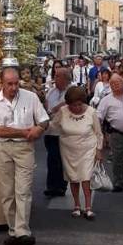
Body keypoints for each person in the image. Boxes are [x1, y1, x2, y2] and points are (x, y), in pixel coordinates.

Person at [0, 67, 49, 245]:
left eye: (16, 83)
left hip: (24, 148)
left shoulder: (30, 97)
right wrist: (25, 131)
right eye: (10, 84)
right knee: (7, 192)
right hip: (3, 147)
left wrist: (39, 128)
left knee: (23, 190)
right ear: (1, 83)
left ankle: (23, 231)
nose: (14, 87)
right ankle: (13, 230)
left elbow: (44, 119)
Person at [50, 86, 103, 220]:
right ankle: (77, 205)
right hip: (68, 149)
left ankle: (88, 207)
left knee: (86, 177)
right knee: (73, 177)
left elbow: (98, 133)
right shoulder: (63, 111)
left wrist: (99, 150)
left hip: (87, 148)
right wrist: (40, 125)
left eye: (80, 104)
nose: (77, 107)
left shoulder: (91, 112)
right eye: (74, 105)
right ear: (68, 103)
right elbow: (52, 126)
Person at [43, 67, 71, 197]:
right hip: (51, 130)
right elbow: (47, 107)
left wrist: (57, 108)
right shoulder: (51, 92)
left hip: (64, 131)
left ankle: (61, 186)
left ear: (66, 78)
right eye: (55, 76)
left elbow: (70, 105)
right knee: (52, 159)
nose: (55, 79)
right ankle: (51, 185)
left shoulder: (71, 91)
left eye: (58, 76)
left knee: (62, 160)